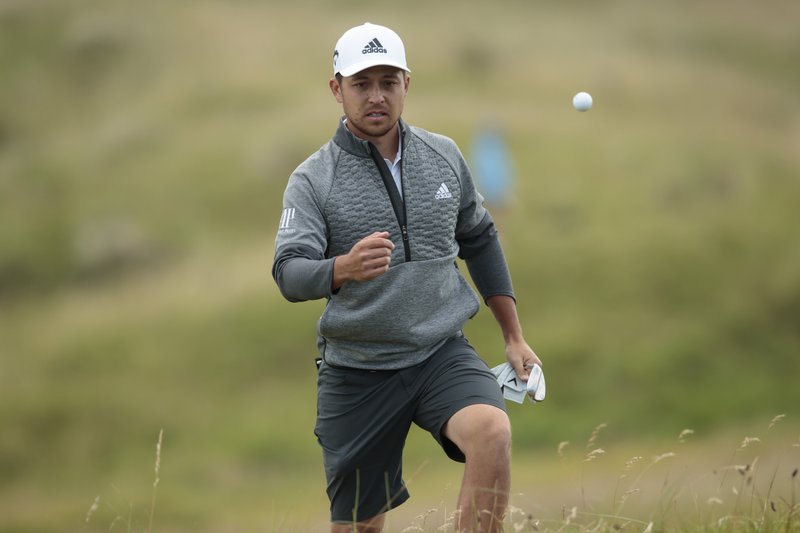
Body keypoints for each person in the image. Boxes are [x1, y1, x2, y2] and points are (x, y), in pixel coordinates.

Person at [272, 22, 542, 533]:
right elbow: (288, 272)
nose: (377, 96)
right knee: (360, 526)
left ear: (406, 84)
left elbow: (480, 238)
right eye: (362, 83)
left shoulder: (443, 156)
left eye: (388, 82)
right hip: (358, 369)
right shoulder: (313, 179)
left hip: (440, 350)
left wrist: (513, 335)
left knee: (491, 431)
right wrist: (340, 269)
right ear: (337, 89)